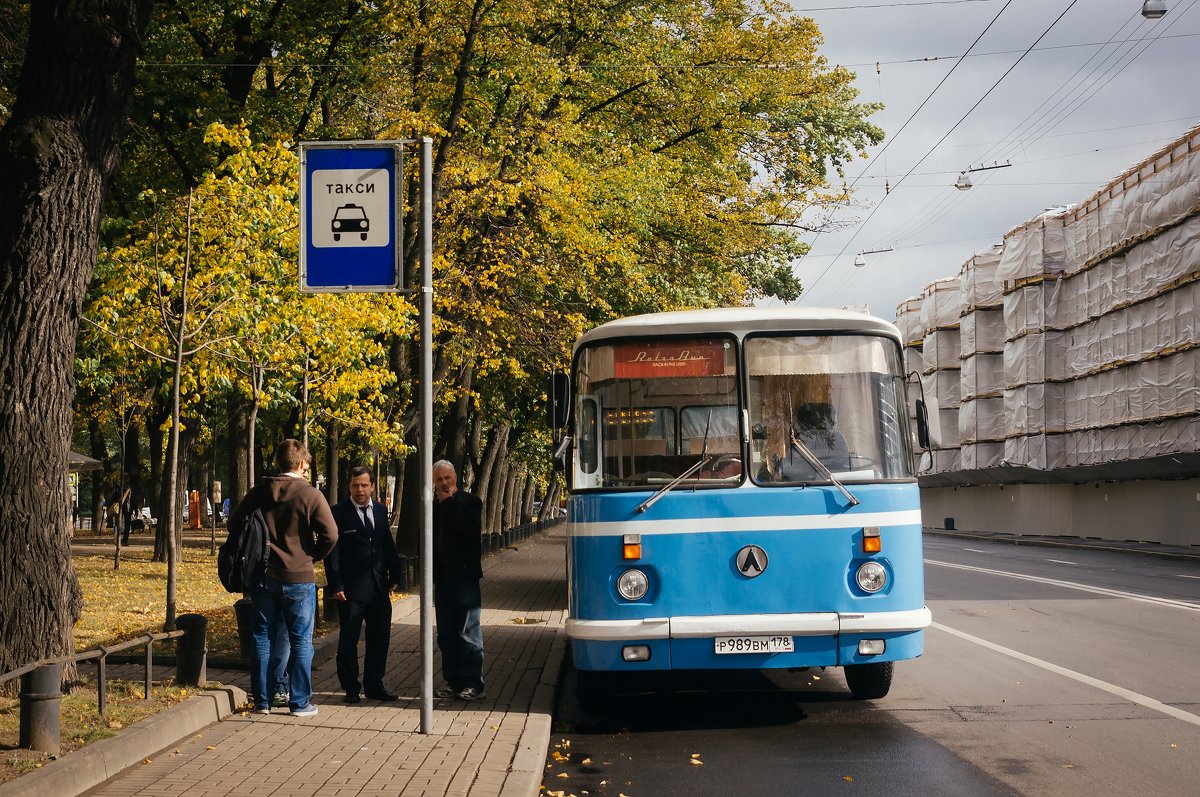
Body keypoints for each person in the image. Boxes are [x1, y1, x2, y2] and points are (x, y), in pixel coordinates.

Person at [227, 439, 338, 717]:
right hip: (299, 575)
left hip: (263, 575)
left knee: (261, 637)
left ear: (278, 462)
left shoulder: (258, 492)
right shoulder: (311, 495)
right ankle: (299, 703)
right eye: (307, 464)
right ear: (300, 463)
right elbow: (331, 534)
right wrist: (313, 554)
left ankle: (263, 701)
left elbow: (234, 523)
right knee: (301, 640)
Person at [326, 466, 405, 703]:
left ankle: (374, 685)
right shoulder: (338, 513)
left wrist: (395, 575)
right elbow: (332, 552)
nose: (359, 490)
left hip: (378, 588)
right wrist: (336, 584)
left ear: (372, 486)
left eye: (364, 485)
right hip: (350, 590)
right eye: (355, 485)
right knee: (349, 639)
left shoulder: (380, 510)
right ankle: (351, 687)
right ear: (349, 487)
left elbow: (387, 544)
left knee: (379, 638)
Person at [432, 459, 486, 701]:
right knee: (446, 633)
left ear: (456, 478)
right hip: (442, 578)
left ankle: (473, 682)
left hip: (464, 578)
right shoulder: (432, 506)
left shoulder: (470, 503)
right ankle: (453, 682)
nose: (444, 483)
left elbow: (464, 529)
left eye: (447, 478)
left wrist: (448, 503)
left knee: (468, 631)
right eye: (439, 479)